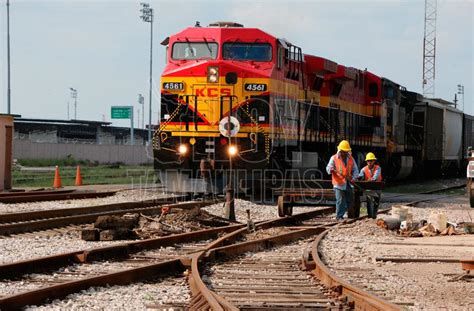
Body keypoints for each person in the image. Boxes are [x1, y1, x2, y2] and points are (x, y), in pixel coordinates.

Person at [326, 140, 359, 221]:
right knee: (340, 200)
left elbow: (356, 170)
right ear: (340, 150)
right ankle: (339, 217)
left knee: (349, 200)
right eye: (343, 151)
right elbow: (328, 168)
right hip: (338, 184)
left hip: (348, 183)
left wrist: (354, 178)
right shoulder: (333, 158)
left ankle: (348, 214)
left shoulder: (350, 158)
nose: (344, 153)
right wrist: (330, 169)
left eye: (346, 151)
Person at [358, 152, 382, 219]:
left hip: (377, 187)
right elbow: (360, 177)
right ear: (366, 161)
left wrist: (369, 180)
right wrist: (358, 178)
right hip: (369, 188)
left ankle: (374, 215)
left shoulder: (378, 168)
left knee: (376, 202)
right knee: (369, 201)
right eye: (368, 161)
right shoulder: (363, 169)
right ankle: (370, 216)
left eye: (371, 161)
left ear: (374, 161)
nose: (370, 162)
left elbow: (375, 177)